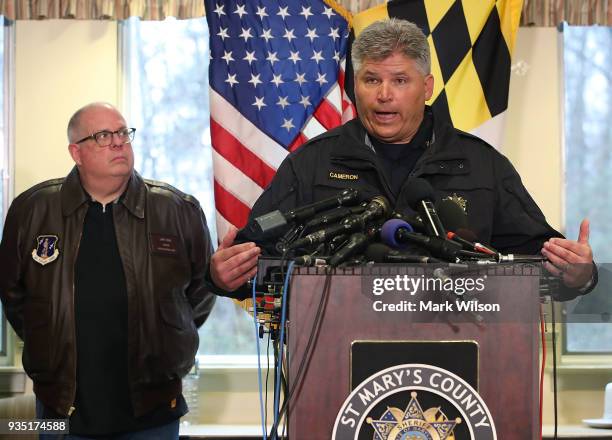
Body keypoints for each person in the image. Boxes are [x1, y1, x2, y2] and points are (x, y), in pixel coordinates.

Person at [210, 18, 594, 297]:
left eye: (399, 80)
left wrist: (580, 275)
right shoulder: (310, 164)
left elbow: (542, 261)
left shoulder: (481, 165)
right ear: (354, 87)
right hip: (334, 358)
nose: (384, 95)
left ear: (426, 87)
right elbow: (257, 254)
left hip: (461, 355)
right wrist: (224, 277)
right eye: (372, 80)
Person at [0, 102, 219, 438]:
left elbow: (199, 294)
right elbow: (15, 297)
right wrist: (51, 343)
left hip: (153, 410)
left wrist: (165, 334)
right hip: (62, 409)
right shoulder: (33, 210)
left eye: (122, 133)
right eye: (103, 135)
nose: (118, 142)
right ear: (77, 152)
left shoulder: (176, 209)